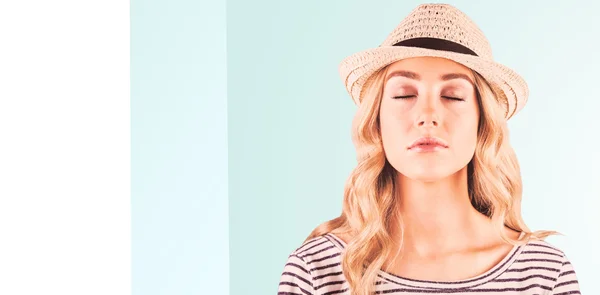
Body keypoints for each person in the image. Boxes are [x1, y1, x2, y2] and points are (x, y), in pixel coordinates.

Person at [277, 3, 581, 295]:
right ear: (376, 121)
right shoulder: (317, 270)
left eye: (453, 96)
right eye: (404, 95)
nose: (428, 115)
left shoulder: (544, 273)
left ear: (482, 122)